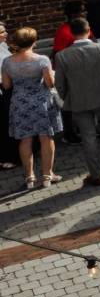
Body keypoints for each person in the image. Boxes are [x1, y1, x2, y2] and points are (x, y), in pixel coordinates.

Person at [55, 18, 100, 186]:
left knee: (88, 137)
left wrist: (67, 97)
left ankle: (95, 175)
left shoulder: (62, 56)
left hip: (79, 101)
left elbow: (60, 84)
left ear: (72, 33)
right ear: (89, 30)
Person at [4, 28, 61, 188]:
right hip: (41, 102)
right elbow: (50, 83)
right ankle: (47, 176)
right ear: (34, 41)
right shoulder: (42, 59)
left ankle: (29, 177)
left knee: (25, 139)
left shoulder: (7, 62)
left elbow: (6, 85)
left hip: (20, 103)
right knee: (46, 138)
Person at [0, 21, 16, 170]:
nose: (5, 33)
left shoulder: (3, 46)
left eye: (5, 30)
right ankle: (7, 157)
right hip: (2, 89)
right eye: (1, 32)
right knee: (5, 124)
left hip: (9, 88)